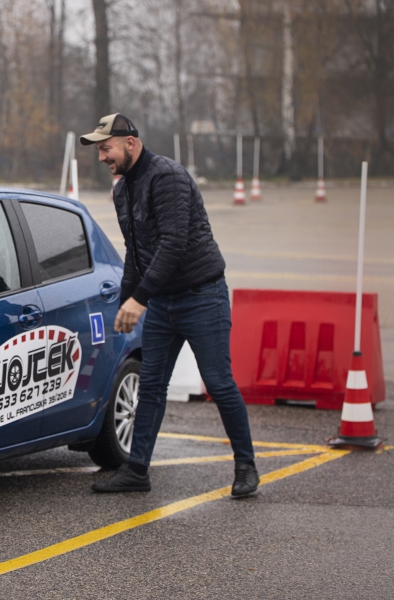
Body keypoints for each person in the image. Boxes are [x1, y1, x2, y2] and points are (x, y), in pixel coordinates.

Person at [82, 113, 259, 497]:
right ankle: (137, 470)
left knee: (218, 382)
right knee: (151, 385)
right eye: (99, 150)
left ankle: (246, 466)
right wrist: (126, 300)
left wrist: (140, 298)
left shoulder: (168, 177)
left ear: (130, 143)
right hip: (162, 301)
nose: (102, 157)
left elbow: (173, 243)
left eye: (106, 148)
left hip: (202, 296)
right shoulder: (121, 191)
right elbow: (135, 253)